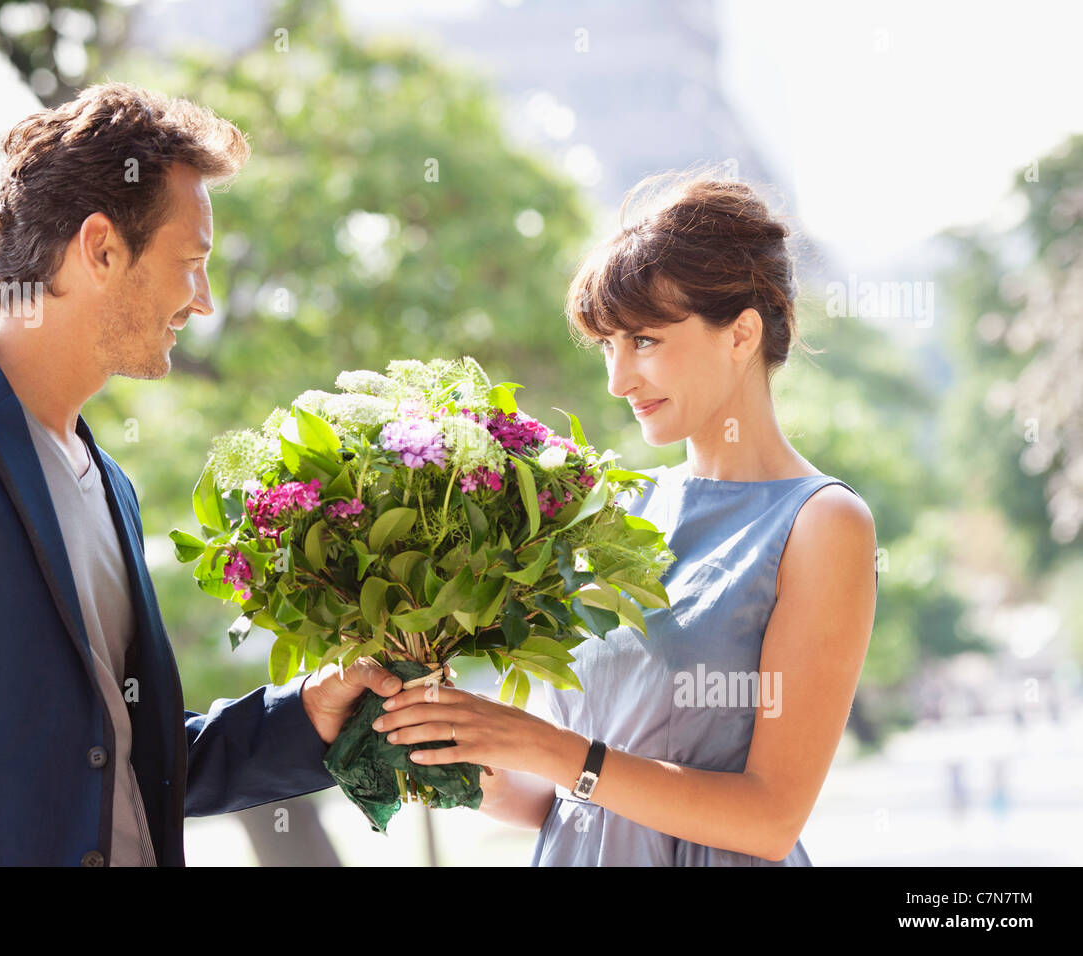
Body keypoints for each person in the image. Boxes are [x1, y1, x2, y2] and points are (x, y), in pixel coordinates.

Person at [0, 82, 401, 866]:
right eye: (192, 263)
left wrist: (300, 716)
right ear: (101, 247)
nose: (202, 301)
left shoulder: (110, 481)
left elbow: (110, 765)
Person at [375, 172, 879, 865]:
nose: (618, 381)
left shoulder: (821, 523)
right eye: (607, 346)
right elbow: (559, 797)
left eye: (643, 340)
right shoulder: (614, 510)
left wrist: (546, 746)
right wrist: (459, 743)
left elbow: (769, 819)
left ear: (740, 335)